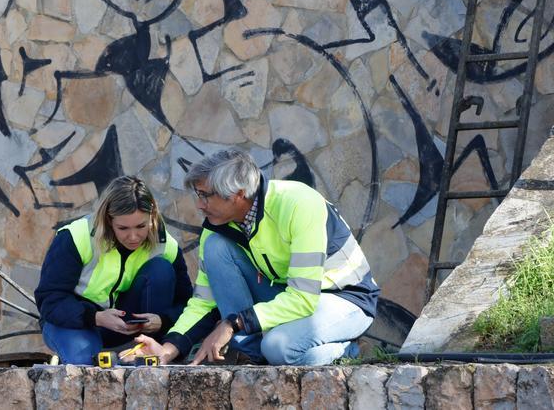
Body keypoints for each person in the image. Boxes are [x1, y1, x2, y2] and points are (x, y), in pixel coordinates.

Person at [130, 149, 378, 366]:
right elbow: (204, 302)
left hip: (346, 298)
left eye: (205, 195)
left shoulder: (299, 203)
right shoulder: (217, 227)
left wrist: (234, 323)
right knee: (217, 247)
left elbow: (303, 298)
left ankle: (348, 351)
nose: (199, 205)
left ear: (238, 193)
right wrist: (169, 348)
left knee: (278, 348)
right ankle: (253, 355)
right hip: (286, 298)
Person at [34, 176, 193, 365]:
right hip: (77, 322)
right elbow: (50, 300)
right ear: (108, 221)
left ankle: (149, 352)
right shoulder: (75, 237)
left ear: (152, 217)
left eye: (141, 226)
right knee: (86, 364)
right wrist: (96, 317)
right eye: (123, 228)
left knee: (161, 269)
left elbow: (186, 302)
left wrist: (164, 320)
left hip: (131, 326)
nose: (133, 236)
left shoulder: (165, 245)